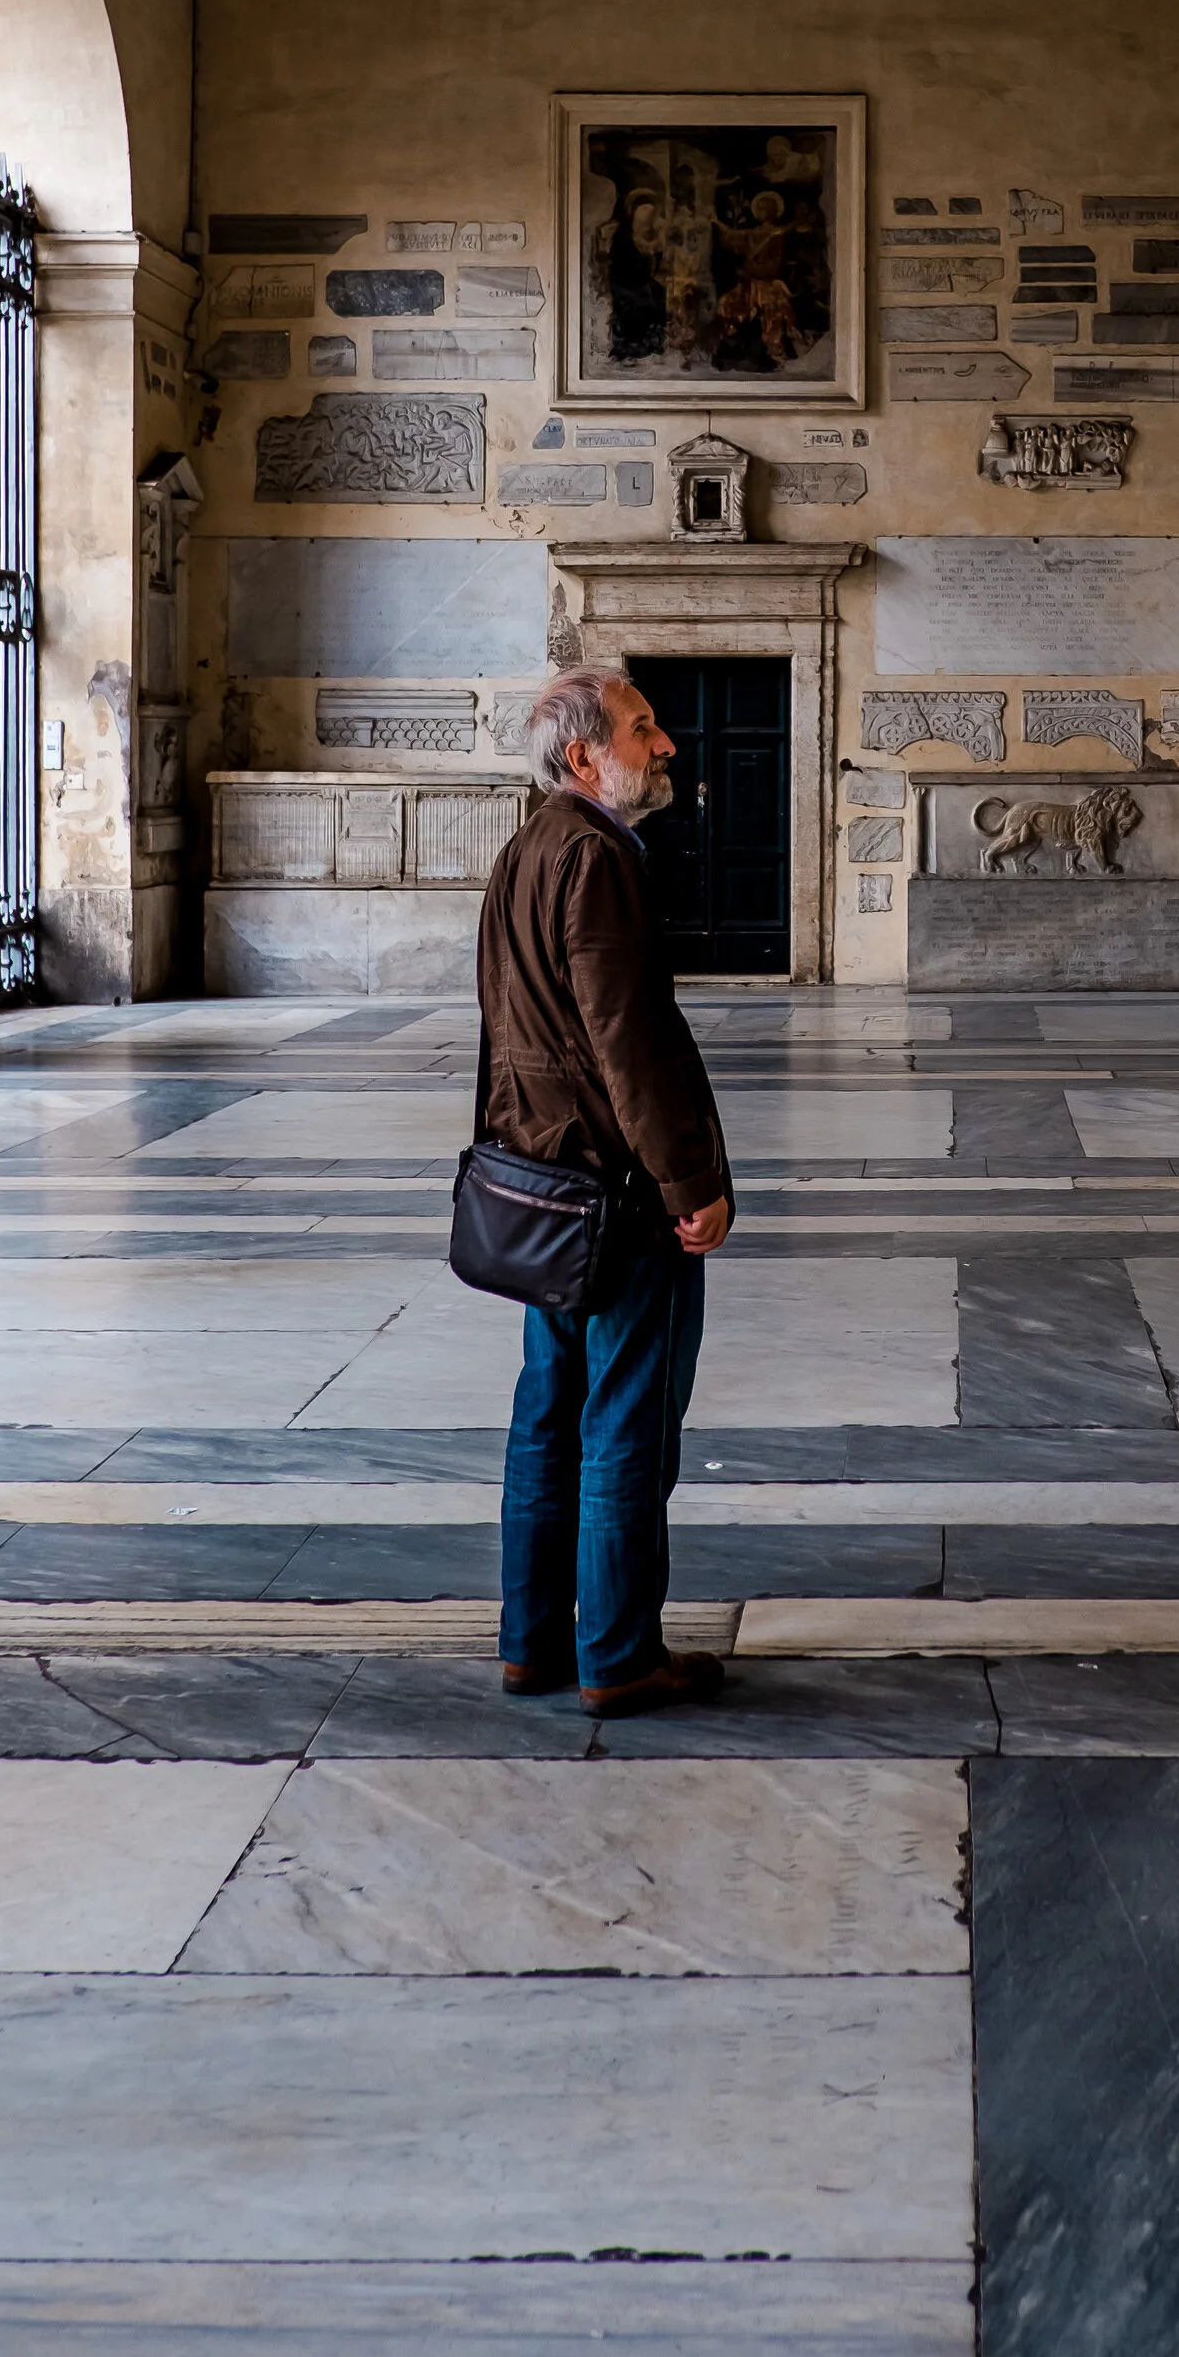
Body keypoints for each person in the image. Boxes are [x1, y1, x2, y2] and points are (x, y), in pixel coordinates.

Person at [476, 666, 734, 1715]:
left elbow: (511, 1027)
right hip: (616, 1191)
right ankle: (620, 1653)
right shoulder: (597, 858)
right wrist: (686, 1181)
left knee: (548, 1410)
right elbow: (628, 1041)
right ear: (585, 757)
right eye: (641, 728)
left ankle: (532, 1641)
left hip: (545, 1186)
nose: (664, 744)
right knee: (626, 1414)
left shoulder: (526, 848)